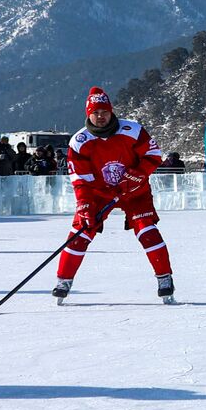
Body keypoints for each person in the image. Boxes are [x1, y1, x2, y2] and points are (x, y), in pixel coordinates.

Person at [53, 87, 175, 303]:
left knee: (147, 231)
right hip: (99, 194)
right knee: (80, 234)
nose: (101, 117)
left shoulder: (132, 130)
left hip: (134, 191)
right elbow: (80, 179)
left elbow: (154, 155)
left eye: (105, 112)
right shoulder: (79, 141)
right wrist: (84, 204)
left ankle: (164, 278)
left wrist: (136, 175)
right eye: (96, 112)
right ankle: (63, 281)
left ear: (111, 112)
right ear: (88, 114)